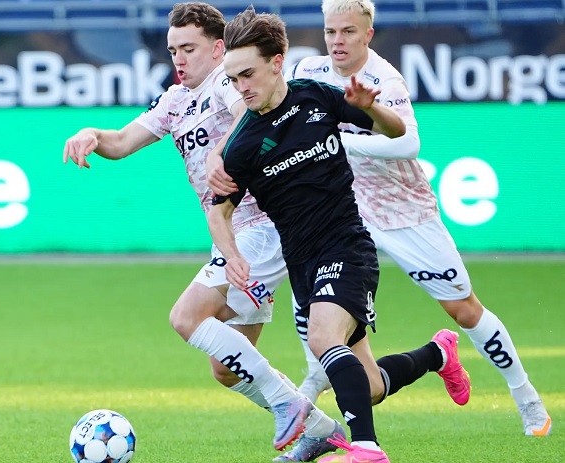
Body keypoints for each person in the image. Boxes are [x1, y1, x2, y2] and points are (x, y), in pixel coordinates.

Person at [210, 0, 552, 439]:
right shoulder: (307, 72)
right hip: (335, 211)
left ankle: (525, 395)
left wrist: (343, 140)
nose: (337, 41)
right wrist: (220, 152)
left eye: (348, 32)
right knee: (320, 324)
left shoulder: (383, 79)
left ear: (368, 33)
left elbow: (407, 143)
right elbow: (260, 116)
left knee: (462, 307)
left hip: (399, 209)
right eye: (330, 31)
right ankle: (322, 409)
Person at [63, 2, 341, 452]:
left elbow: (250, 115)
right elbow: (123, 141)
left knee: (186, 317)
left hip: (263, 226)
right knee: (227, 368)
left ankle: (288, 403)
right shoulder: (175, 100)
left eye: (188, 48)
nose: (179, 58)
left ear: (217, 49)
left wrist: (220, 152)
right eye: (173, 49)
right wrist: (92, 135)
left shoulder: (227, 84)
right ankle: (321, 431)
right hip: (232, 234)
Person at [209, 6, 410, 462]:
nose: (241, 87)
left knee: (322, 338)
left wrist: (370, 107)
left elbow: (396, 131)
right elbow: (218, 213)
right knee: (369, 385)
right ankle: (439, 354)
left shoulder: (317, 96)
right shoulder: (241, 145)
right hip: (302, 264)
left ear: (277, 62)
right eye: (233, 79)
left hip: (347, 245)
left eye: (247, 74)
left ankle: (367, 448)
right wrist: (232, 254)